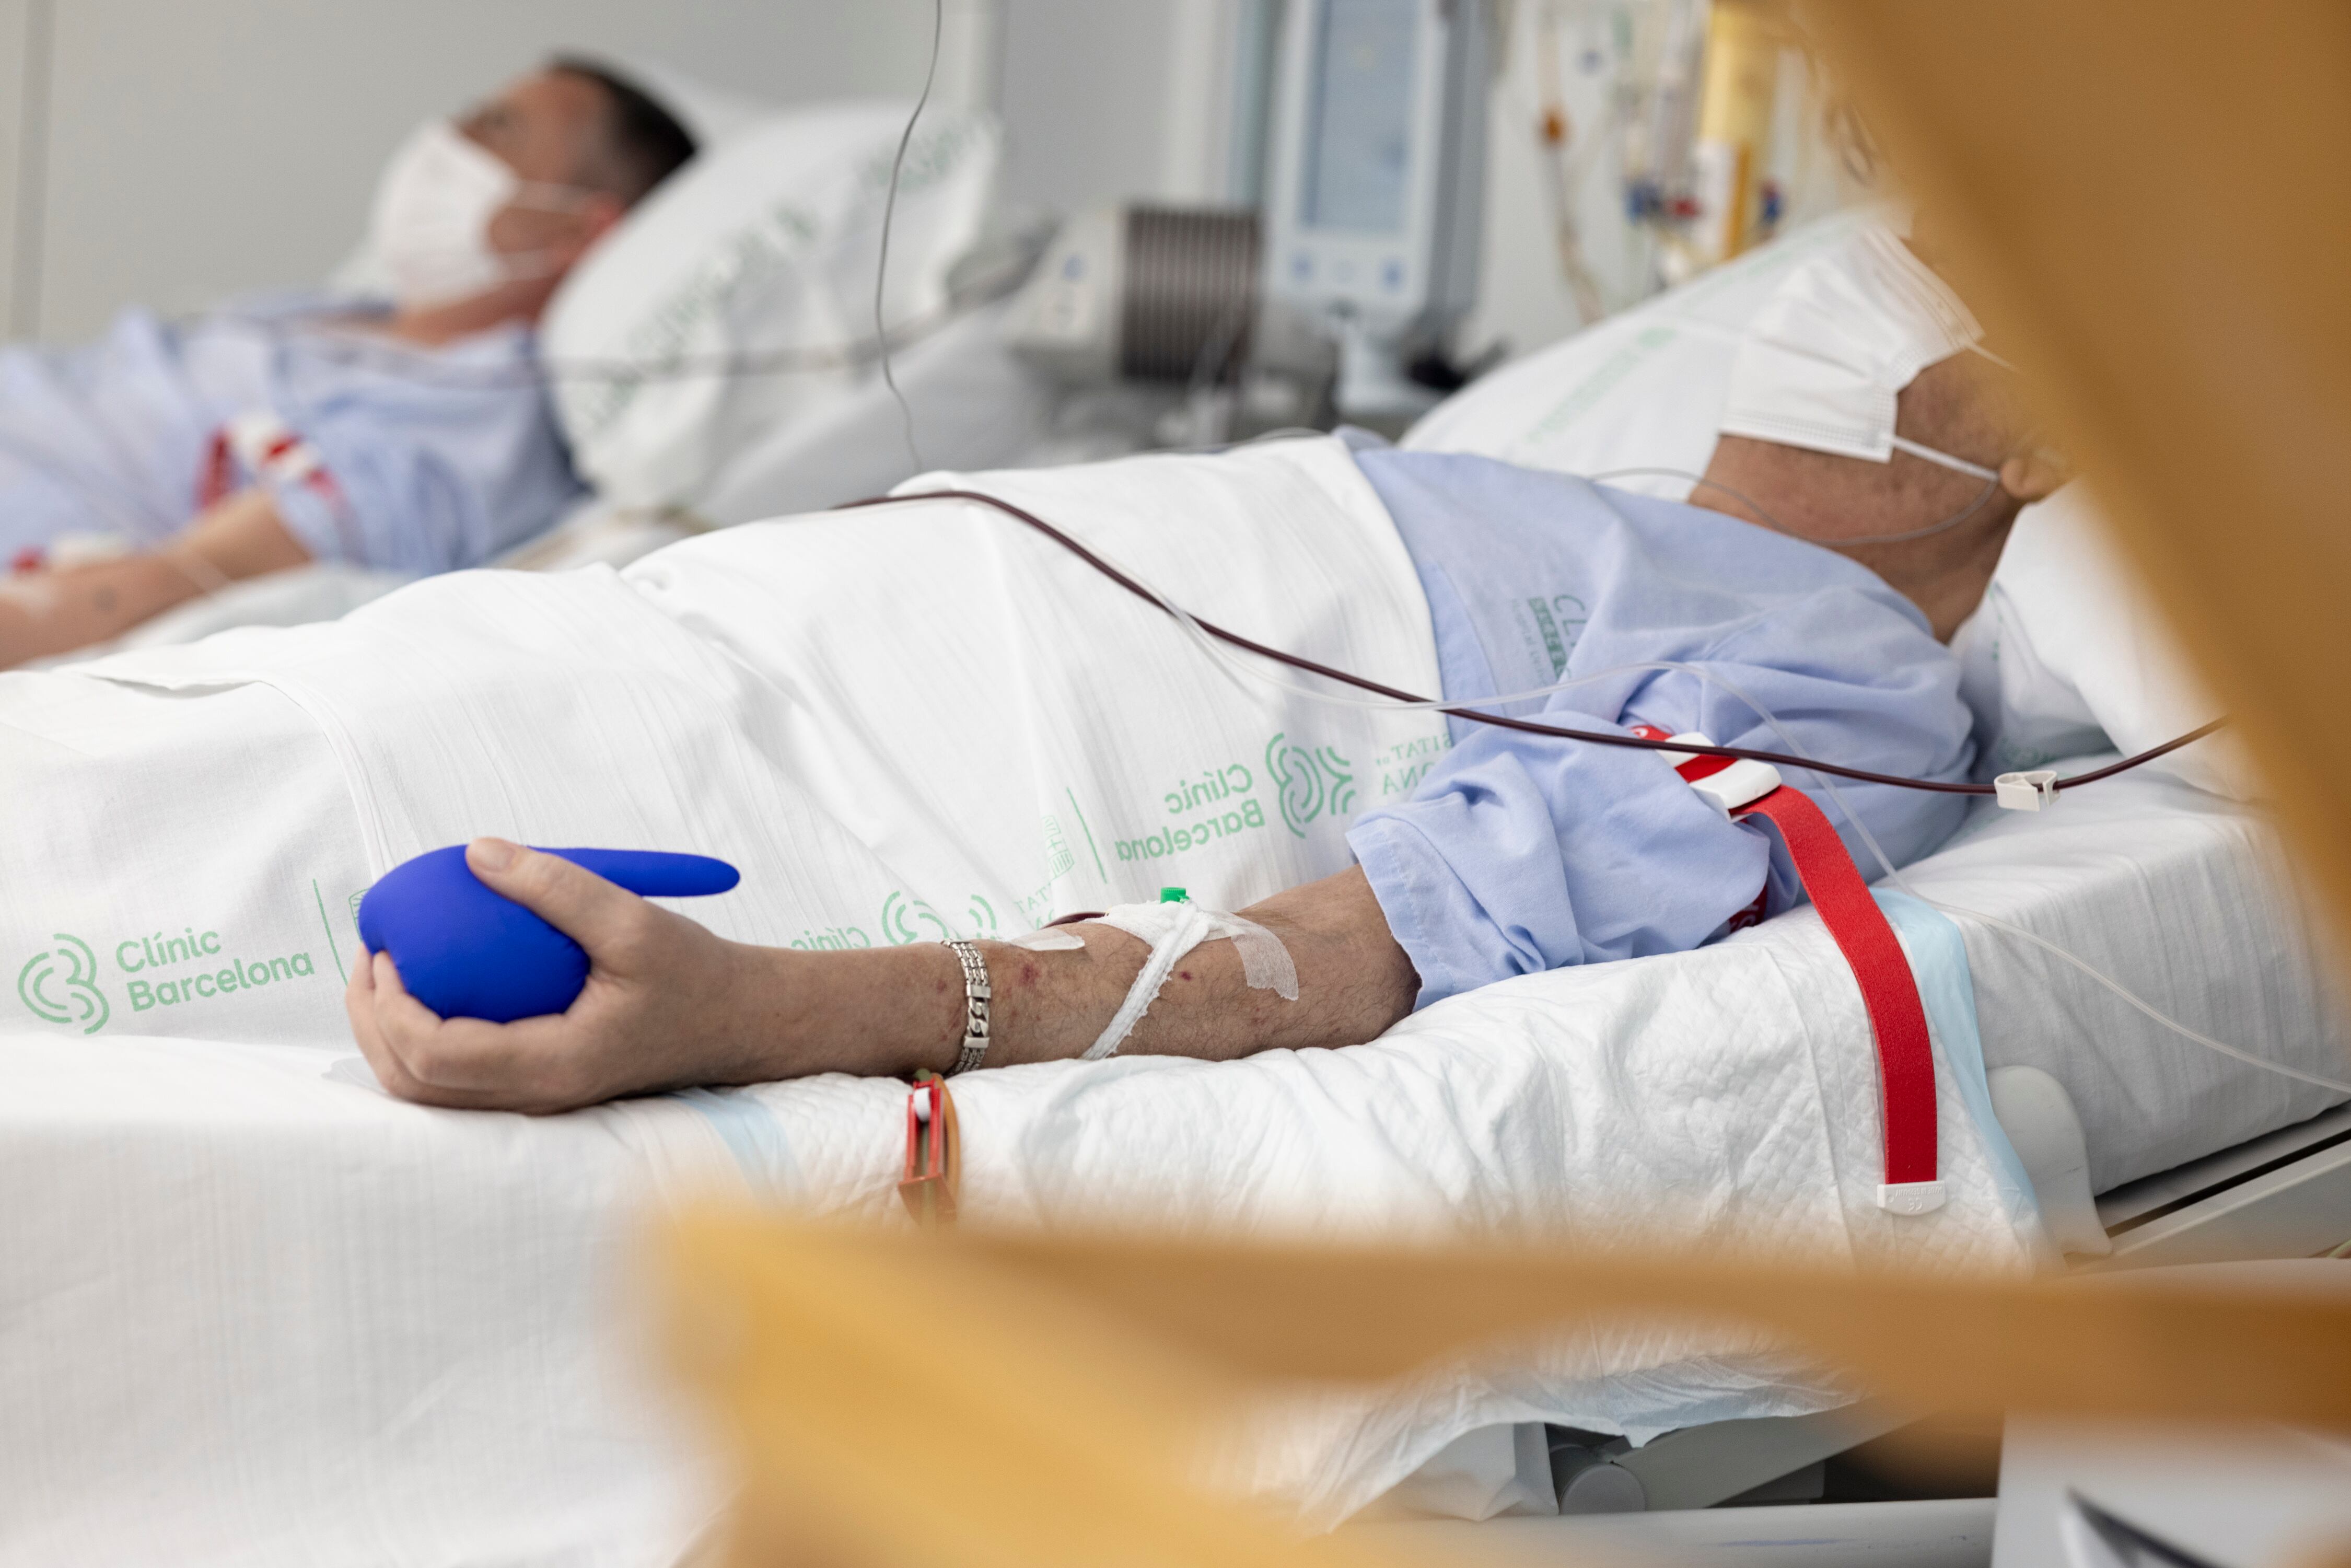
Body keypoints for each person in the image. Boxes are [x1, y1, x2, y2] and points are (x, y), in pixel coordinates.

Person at [339, 223, 2068, 1114]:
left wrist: (774, 1014)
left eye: (1978, 245)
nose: (1881, 253)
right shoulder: (1570, 491)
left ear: (2060, 434)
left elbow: (1366, 942)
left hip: (918, 756)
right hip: (760, 617)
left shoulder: (1862, 693)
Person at [0, 59, 696, 668]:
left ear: (578, 229)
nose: (445, 137)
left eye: (496, 126)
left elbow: (191, 578)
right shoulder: (349, 314)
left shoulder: (469, 417)